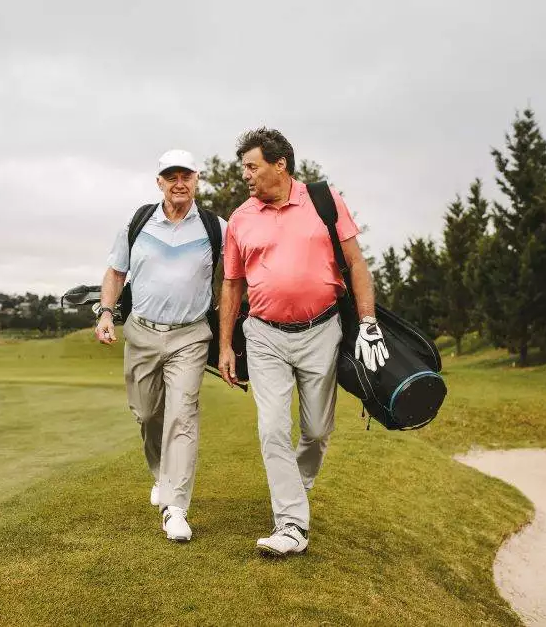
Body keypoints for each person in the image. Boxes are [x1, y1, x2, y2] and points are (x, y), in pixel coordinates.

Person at [218, 128, 388, 556]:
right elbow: (231, 286)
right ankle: (291, 524)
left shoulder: (324, 200)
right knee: (272, 427)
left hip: (321, 331)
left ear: (280, 165)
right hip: (263, 336)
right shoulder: (240, 218)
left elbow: (356, 263)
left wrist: (368, 323)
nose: (246, 175)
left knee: (316, 430)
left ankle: (295, 487)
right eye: (244, 168)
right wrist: (224, 346)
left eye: (252, 166)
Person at [95, 149, 227, 542]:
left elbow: (233, 278)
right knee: (147, 413)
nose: (178, 182)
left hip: (190, 334)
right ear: (159, 182)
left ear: (196, 179)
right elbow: (116, 273)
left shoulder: (214, 227)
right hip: (142, 333)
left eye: (185, 175)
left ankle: (175, 507)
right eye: (170, 176)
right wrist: (105, 313)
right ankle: (160, 475)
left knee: (182, 417)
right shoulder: (138, 224)